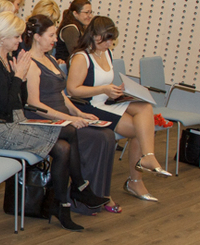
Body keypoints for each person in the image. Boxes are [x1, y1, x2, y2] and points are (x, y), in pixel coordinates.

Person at [0, 12, 109, 231]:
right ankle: (76, 191)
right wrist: (19, 77)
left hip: (13, 122)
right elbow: (6, 106)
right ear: (2, 38)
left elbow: (20, 101)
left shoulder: (6, 58)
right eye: (16, 37)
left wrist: (19, 78)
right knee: (68, 135)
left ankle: (64, 202)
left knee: (64, 146)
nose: (20, 41)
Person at [66, 16, 170, 202]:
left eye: (111, 40)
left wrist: (117, 90)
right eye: (106, 40)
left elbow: (105, 83)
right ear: (94, 35)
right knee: (141, 130)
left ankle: (148, 157)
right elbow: (73, 90)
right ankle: (136, 180)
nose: (109, 44)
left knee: (145, 107)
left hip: (106, 100)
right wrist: (104, 89)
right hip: (89, 105)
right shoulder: (82, 57)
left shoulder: (106, 53)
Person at [23, 15, 119, 214]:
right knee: (99, 138)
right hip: (46, 119)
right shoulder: (31, 63)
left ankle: (94, 193)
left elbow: (61, 94)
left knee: (107, 135)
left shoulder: (49, 59)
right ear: (37, 37)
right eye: (51, 35)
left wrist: (79, 113)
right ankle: (81, 195)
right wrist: (70, 119)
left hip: (63, 117)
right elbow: (34, 104)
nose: (55, 39)